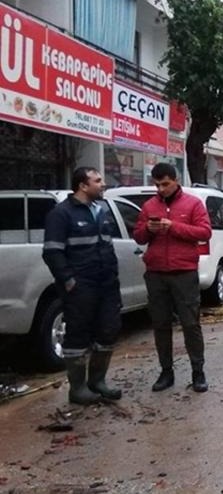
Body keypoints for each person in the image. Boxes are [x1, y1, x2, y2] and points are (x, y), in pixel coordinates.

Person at [43, 167, 122, 405]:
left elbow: (106, 247)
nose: (103, 184)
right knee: (77, 335)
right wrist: (69, 281)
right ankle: (77, 389)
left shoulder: (100, 211)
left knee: (108, 331)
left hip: (106, 284)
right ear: (83, 186)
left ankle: (97, 382)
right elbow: (52, 253)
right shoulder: (61, 214)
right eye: (98, 181)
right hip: (81, 286)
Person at [133, 163, 213, 393]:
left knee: (190, 324)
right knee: (160, 325)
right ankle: (166, 372)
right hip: (156, 273)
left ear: (176, 180)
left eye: (165, 184)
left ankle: (198, 372)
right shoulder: (149, 206)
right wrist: (148, 228)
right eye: (157, 185)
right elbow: (138, 236)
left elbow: (204, 232)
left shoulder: (193, 204)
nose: (161, 189)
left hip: (184, 273)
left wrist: (173, 227)